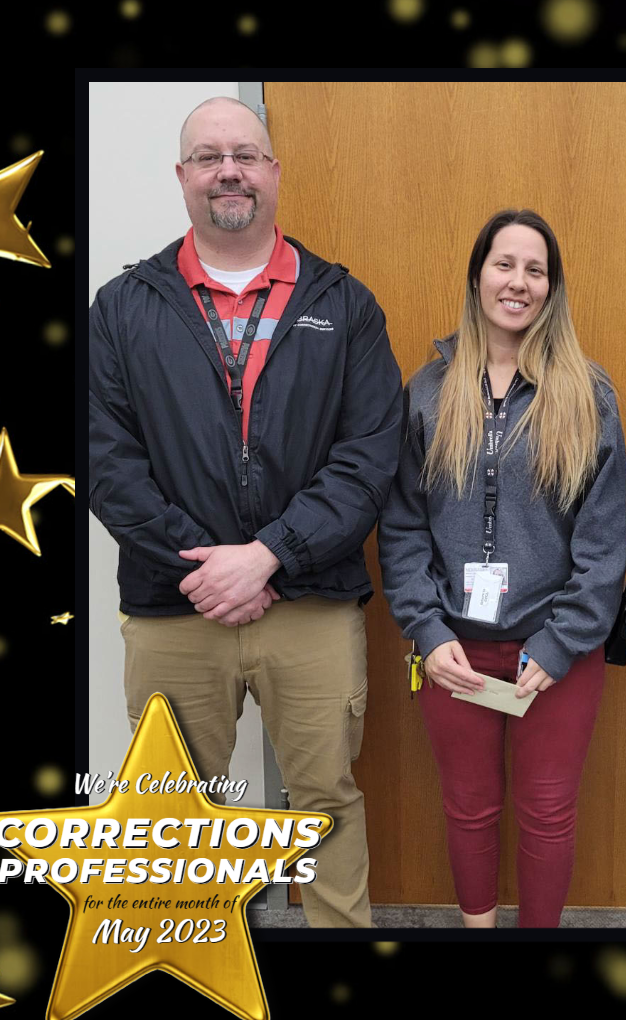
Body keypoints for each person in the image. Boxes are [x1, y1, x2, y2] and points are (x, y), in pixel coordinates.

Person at [88, 96, 403, 928]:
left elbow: (368, 457)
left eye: (245, 155)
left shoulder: (345, 305)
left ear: (273, 170)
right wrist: (206, 565)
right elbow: (107, 463)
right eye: (209, 156)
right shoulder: (121, 309)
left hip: (310, 601)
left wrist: (269, 554)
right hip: (175, 603)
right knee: (172, 815)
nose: (229, 170)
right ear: (182, 175)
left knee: (325, 801)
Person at [378, 209, 626, 928]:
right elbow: (401, 525)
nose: (518, 282)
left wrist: (560, 642)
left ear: (552, 288)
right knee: (469, 807)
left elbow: (606, 538)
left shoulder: (587, 393)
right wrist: (427, 632)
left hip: (552, 652)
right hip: (454, 650)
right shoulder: (428, 391)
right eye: (504, 264)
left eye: (535, 269)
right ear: (477, 277)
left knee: (547, 811)